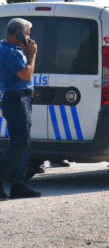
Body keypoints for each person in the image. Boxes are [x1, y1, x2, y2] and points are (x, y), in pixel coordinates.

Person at [0, 18, 41, 199]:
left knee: (24, 143)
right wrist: (32, 55)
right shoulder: (8, 51)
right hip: (15, 99)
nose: (30, 37)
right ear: (19, 34)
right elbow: (25, 75)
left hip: (22, 98)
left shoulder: (16, 49)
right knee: (20, 142)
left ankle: (19, 184)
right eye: (28, 32)